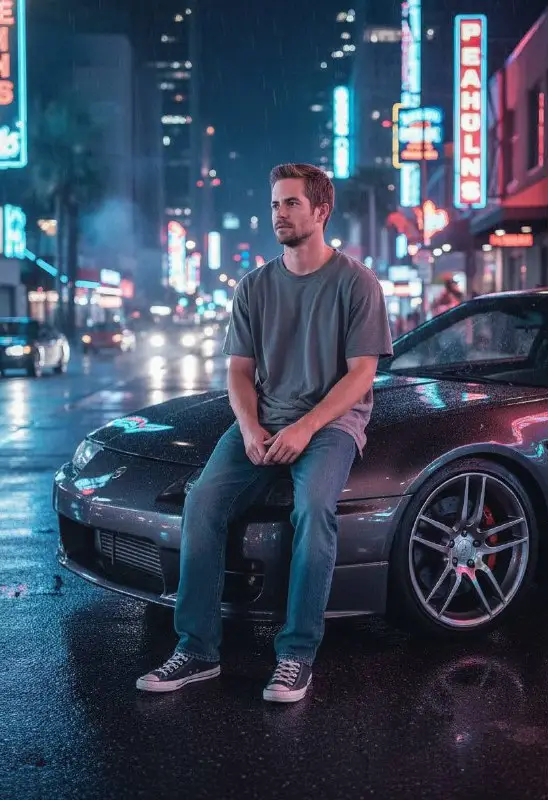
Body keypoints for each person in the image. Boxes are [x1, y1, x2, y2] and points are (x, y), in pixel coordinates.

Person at [136, 163, 393, 703]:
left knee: (313, 508)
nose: (279, 213)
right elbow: (238, 371)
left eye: (291, 203)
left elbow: (362, 374)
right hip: (264, 419)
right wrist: (250, 428)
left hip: (330, 424)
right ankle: (197, 650)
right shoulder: (253, 285)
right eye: (275, 204)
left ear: (321, 211)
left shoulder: (357, 282)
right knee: (203, 502)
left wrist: (305, 427)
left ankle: (296, 656)